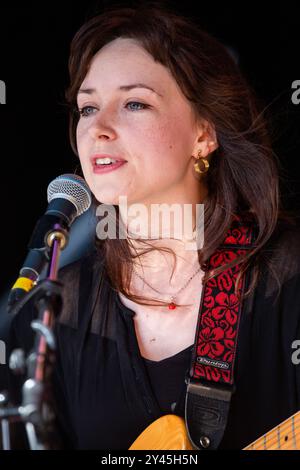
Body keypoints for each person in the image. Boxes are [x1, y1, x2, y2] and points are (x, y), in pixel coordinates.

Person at [6, 5, 300, 450]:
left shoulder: (289, 277)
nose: (98, 129)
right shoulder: (54, 312)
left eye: (135, 103)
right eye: (87, 108)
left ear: (204, 132)